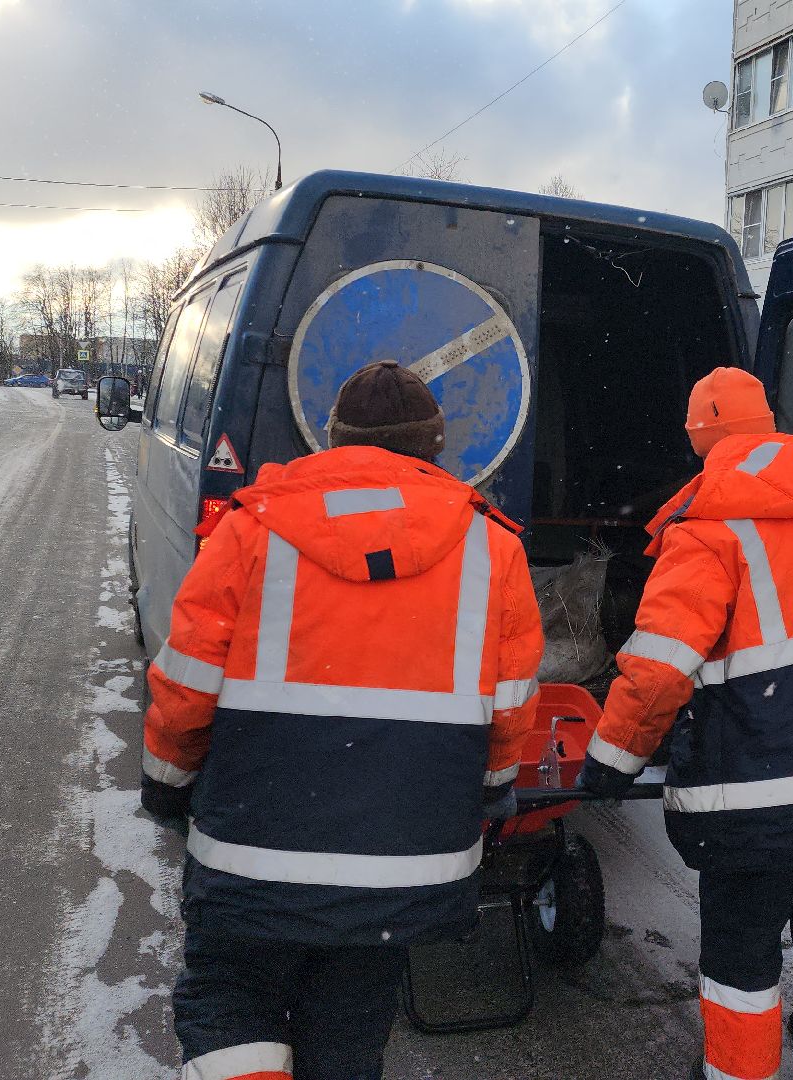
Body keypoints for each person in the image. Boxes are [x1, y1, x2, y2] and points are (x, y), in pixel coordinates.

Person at [140, 361, 544, 1079]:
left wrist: (167, 782)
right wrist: (492, 790)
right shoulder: (493, 547)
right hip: (403, 862)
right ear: (435, 447)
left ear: (329, 439)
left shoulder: (253, 529)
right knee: (350, 1029)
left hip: (253, 847)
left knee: (231, 1003)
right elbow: (511, 705)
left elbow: (187, 684)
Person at [579, 367, 793, 1080]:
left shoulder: (707, 532)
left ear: (699, 438)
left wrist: (610, 764)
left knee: (741, 970)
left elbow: (656, 674)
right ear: (770, 423)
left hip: (752, 808)